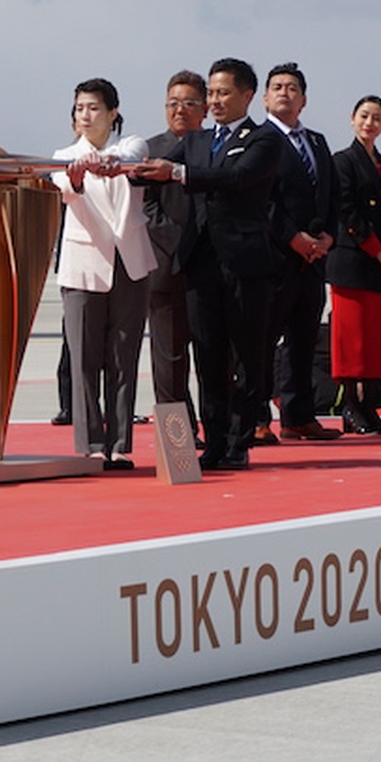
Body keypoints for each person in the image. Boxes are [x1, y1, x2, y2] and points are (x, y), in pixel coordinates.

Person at [134, 58, 282, 470]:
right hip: (201, 264)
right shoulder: (198, 140)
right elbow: (152, 174)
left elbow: (235, 177)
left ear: (248, 96)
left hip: (245, 265)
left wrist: (177, 171)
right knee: (209, 356)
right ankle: (215, 441)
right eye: (212, 94)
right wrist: (114, 167)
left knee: (246, 358)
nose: (215, 101)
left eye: (223, 93)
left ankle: (240, 440)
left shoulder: (265, 139)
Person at [51, 79, 155, 469]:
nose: (85, 115)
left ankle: (119, 444)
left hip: (130, 264)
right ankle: (92, 442)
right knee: (84, 359)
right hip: (82, 269)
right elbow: (64, 185)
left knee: (123, 357)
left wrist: (110, 164)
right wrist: (78, 175)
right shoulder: (63, 156)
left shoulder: (131, 148)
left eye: (94, 108)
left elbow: (132, 156)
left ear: (113, 113)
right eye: (79, 108)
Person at [262, 62, 341, 441]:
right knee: (262, 339)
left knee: (303, 339)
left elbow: (331, 197)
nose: (284, 93)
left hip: (313, 260)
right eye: (277, 87)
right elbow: (263, 200)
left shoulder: (319, 142)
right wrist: (292, 237)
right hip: (274, 255)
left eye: (292, 88)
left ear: (303, 99)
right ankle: (256, 418)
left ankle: (298, 416)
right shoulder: (260, 139)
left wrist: (329, 237)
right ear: (263, 97)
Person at [325, 95, 381, 436]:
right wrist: (378, 251)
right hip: (354, 261)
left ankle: (372, 405)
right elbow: (347, 212)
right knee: (352, 341)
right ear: (352, 119)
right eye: (364, 116)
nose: (370, 123)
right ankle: (352, 407)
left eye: (377, 118)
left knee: (378, 340)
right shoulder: (342, 161)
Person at [139, 70, 206, 433]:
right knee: (169, 357)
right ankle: (178, 433)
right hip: (166, 265)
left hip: (210, 268)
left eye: (189, 103)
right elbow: (146, 209)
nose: (180, 110)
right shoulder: (150, 151)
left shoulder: (215, 148)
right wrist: (181, 244)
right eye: (173, 103)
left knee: (214, 356)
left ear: (205, 108)